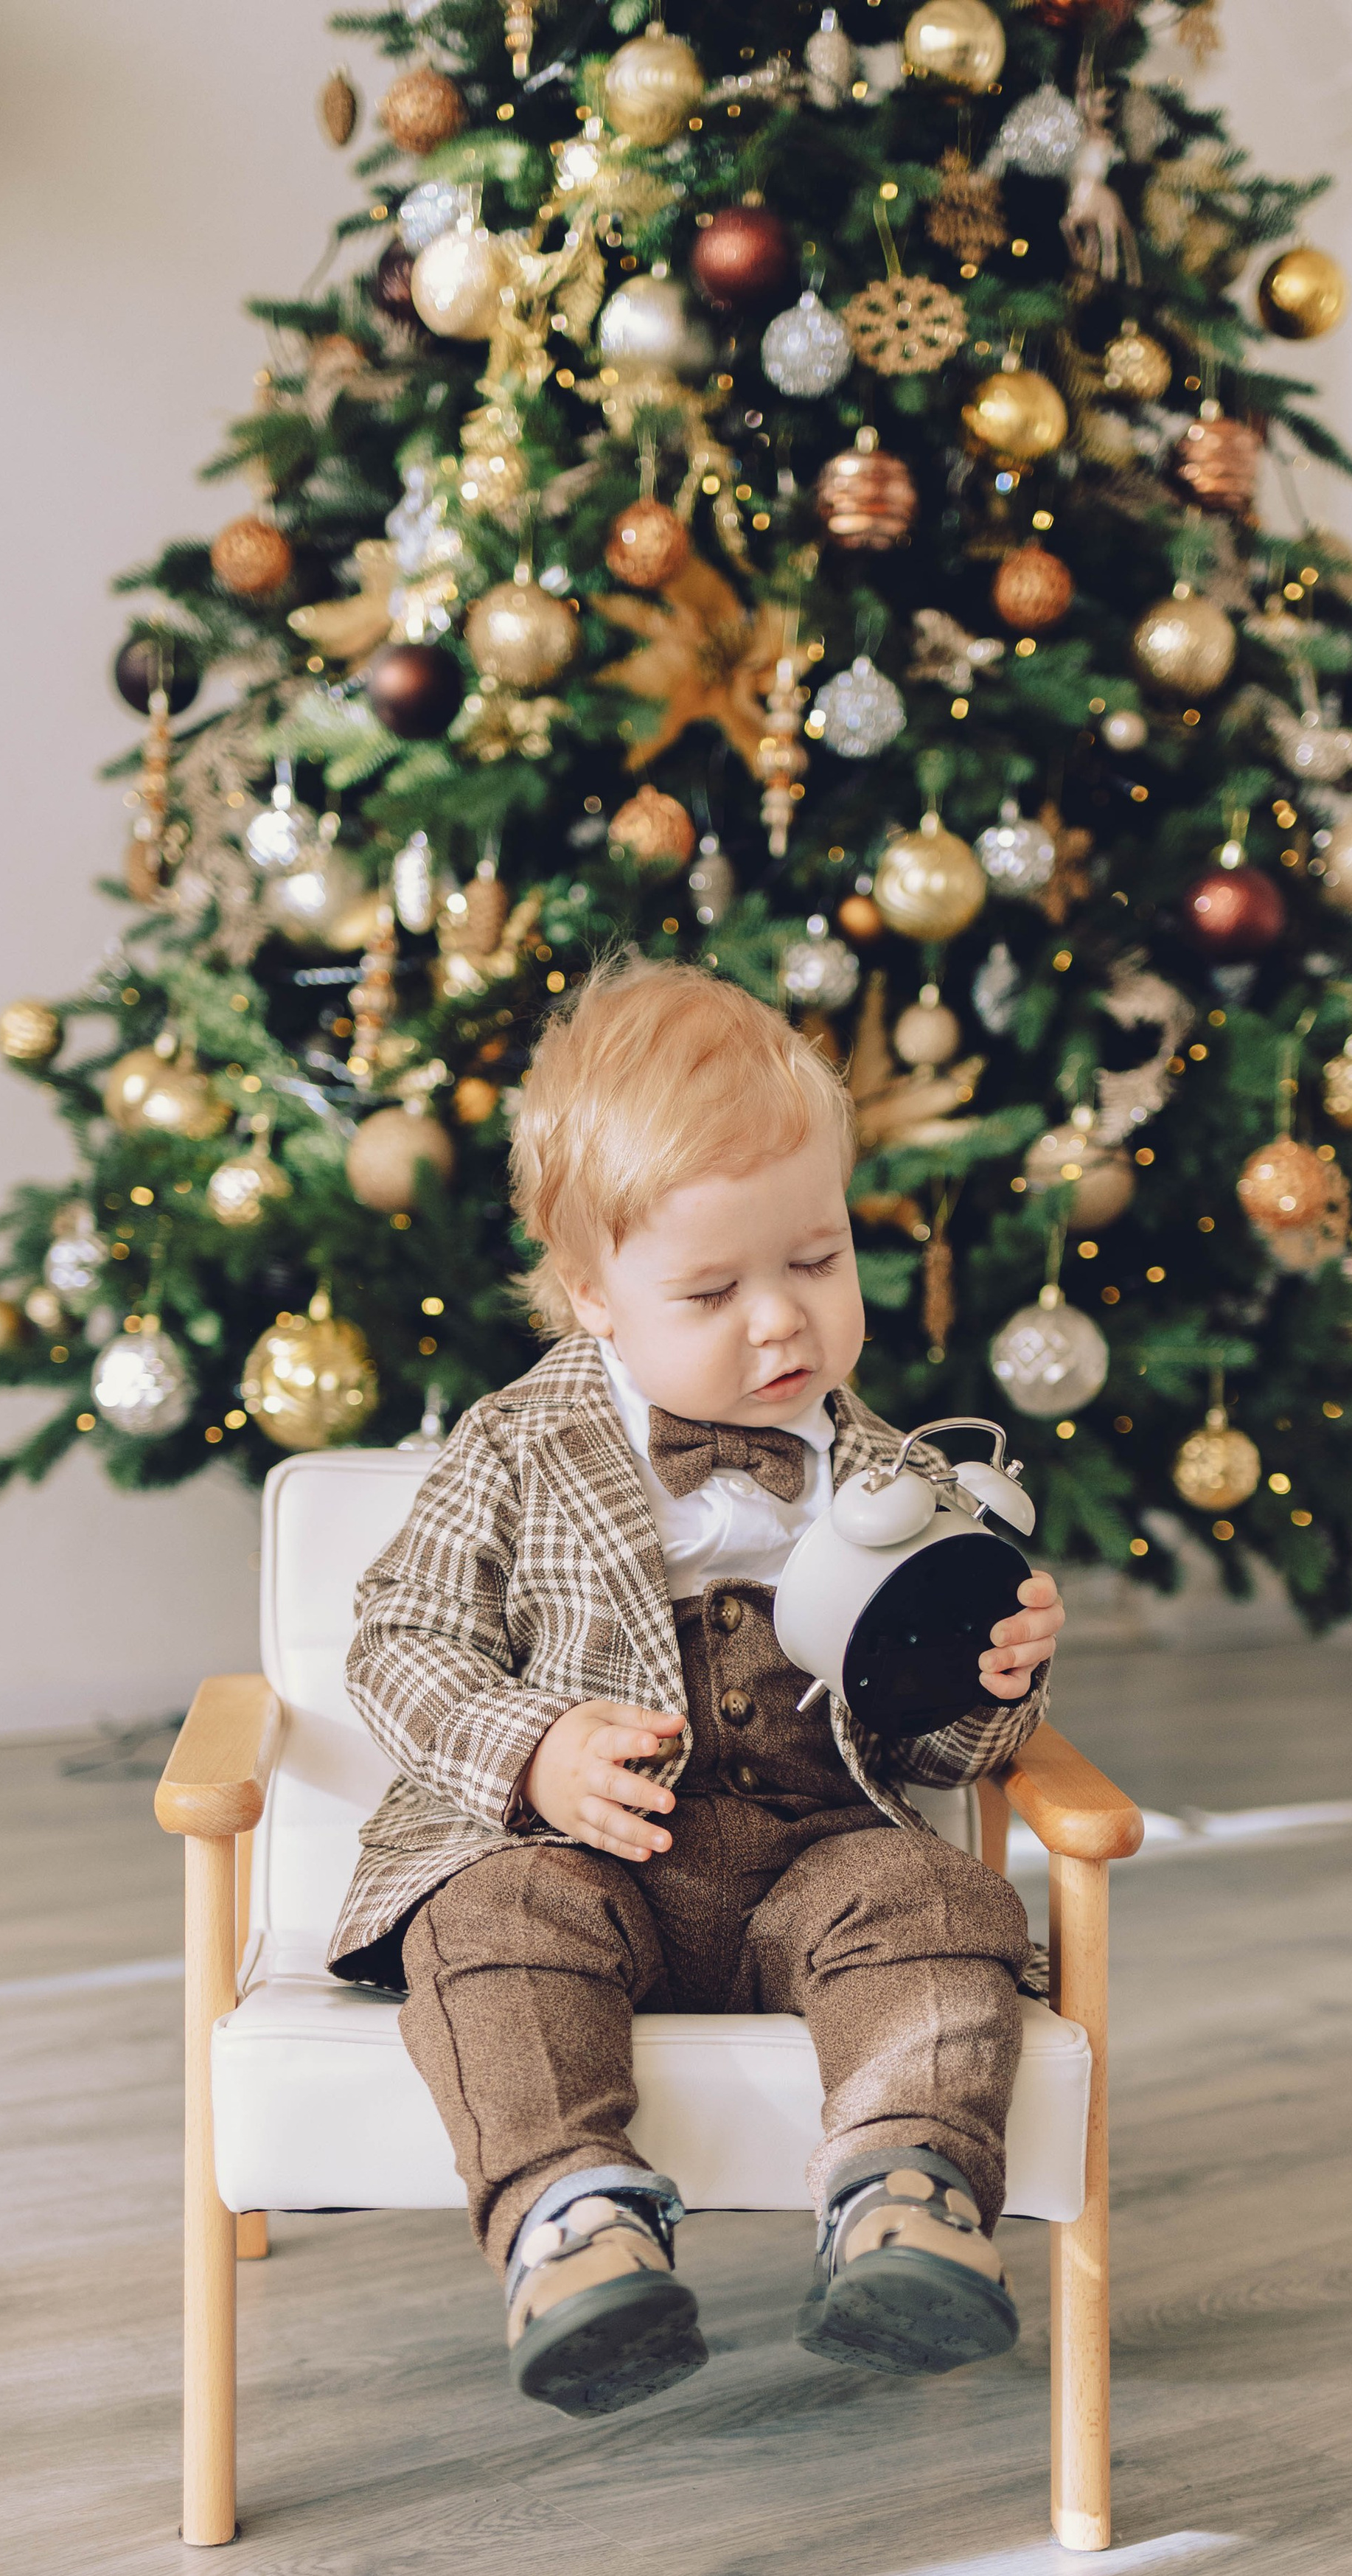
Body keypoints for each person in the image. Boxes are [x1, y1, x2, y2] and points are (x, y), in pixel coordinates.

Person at [333, 961, 1063, 2417]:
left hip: (814, 1855)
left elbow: (947, 1746)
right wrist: (531, 1752)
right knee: (484, 1925)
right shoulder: (518, 1446)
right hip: (585, 1856)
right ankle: (572, 2222)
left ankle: (901, 2195)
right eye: (712, 1290)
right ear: (595, 1293)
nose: (782, 1321)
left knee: (938, 1904)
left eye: (815, 1259)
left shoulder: (896, 1475)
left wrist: (990, 1676)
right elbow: (393, 1638)